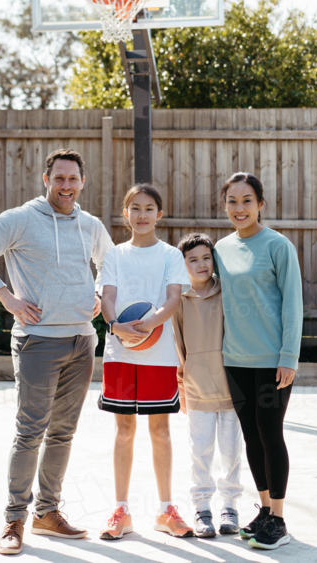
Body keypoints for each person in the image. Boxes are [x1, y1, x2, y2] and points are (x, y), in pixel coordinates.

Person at [0, 148, 114, 556]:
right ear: (45, 180)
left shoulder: (91, 225)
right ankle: (15, 520)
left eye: (73, 179)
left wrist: (100, 290)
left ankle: (49, 513)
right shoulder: (20, 219)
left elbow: (110, 264)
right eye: (59, 178)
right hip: (37, 341)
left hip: (82, 340)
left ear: (83, 182)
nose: (66, 185)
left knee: (63, 433)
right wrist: (7, 298)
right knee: (30, 432)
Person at [96, 184, 195, 541]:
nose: (141, 215)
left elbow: (173, 299)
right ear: (126, 214)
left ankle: (166, 509)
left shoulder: (170, 255)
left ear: (159, 214)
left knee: (161, 431)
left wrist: (154, 321)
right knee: (124, 431)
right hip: (120, 353)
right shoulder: (115, 255)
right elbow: (107, 296)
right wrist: (115, 325)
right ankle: (121, 509)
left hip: (159, 356)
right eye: (134, 208)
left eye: (149, 208)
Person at [214, 172, 302, 550]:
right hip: (234, 360)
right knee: (250, 437)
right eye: (232, 201)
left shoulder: (278, 246)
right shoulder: (220, 248)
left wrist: (289, 358)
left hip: (271, 362)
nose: (239, 208)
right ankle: (264, 510)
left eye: (247, 200)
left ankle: (279, 519)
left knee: (271, 434)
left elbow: (293, 305)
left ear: (260, 204)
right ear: (225, 205)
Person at [172, 232, 244, 538]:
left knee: (231, 452)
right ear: (183, 264)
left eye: (206, 257)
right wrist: (181, 385)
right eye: (193, 260)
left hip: (231, 388)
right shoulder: (178, 299)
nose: (201, 264)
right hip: (197, 387)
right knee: (200, 451)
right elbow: (177, 346)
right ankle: (201, 508)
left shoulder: (228, 291)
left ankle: (230, 506)